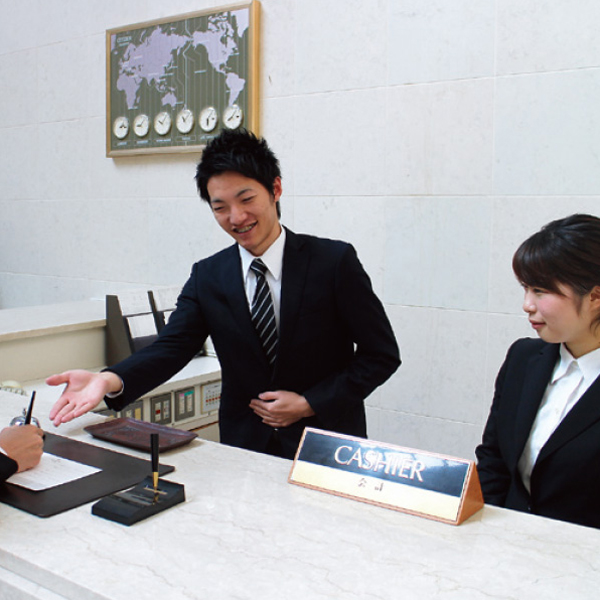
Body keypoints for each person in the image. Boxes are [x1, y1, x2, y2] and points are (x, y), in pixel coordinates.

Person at [48, 129, 400, 459]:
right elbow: (172, 347)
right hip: (245, 446)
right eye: (220, 207)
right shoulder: (208, 276)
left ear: (275, 189)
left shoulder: (333, 262)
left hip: (327, 441)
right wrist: (107, 379)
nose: (236, 217)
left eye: (246, 199)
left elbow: (380, 355)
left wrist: (310, 402)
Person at [476, 213, 600, 528]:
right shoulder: (523, 357)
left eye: (540, 291)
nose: (527, 304)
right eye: (525, 288)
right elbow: (493, 461)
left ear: (595, 296)